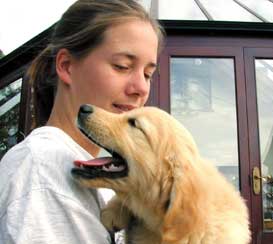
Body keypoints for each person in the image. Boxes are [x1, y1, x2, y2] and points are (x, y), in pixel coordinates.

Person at [0, 0, 164, 243]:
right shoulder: (44, 170)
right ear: (66, 66)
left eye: (148, 74)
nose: (141, 88)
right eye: (122, 66)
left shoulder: (101, 171)